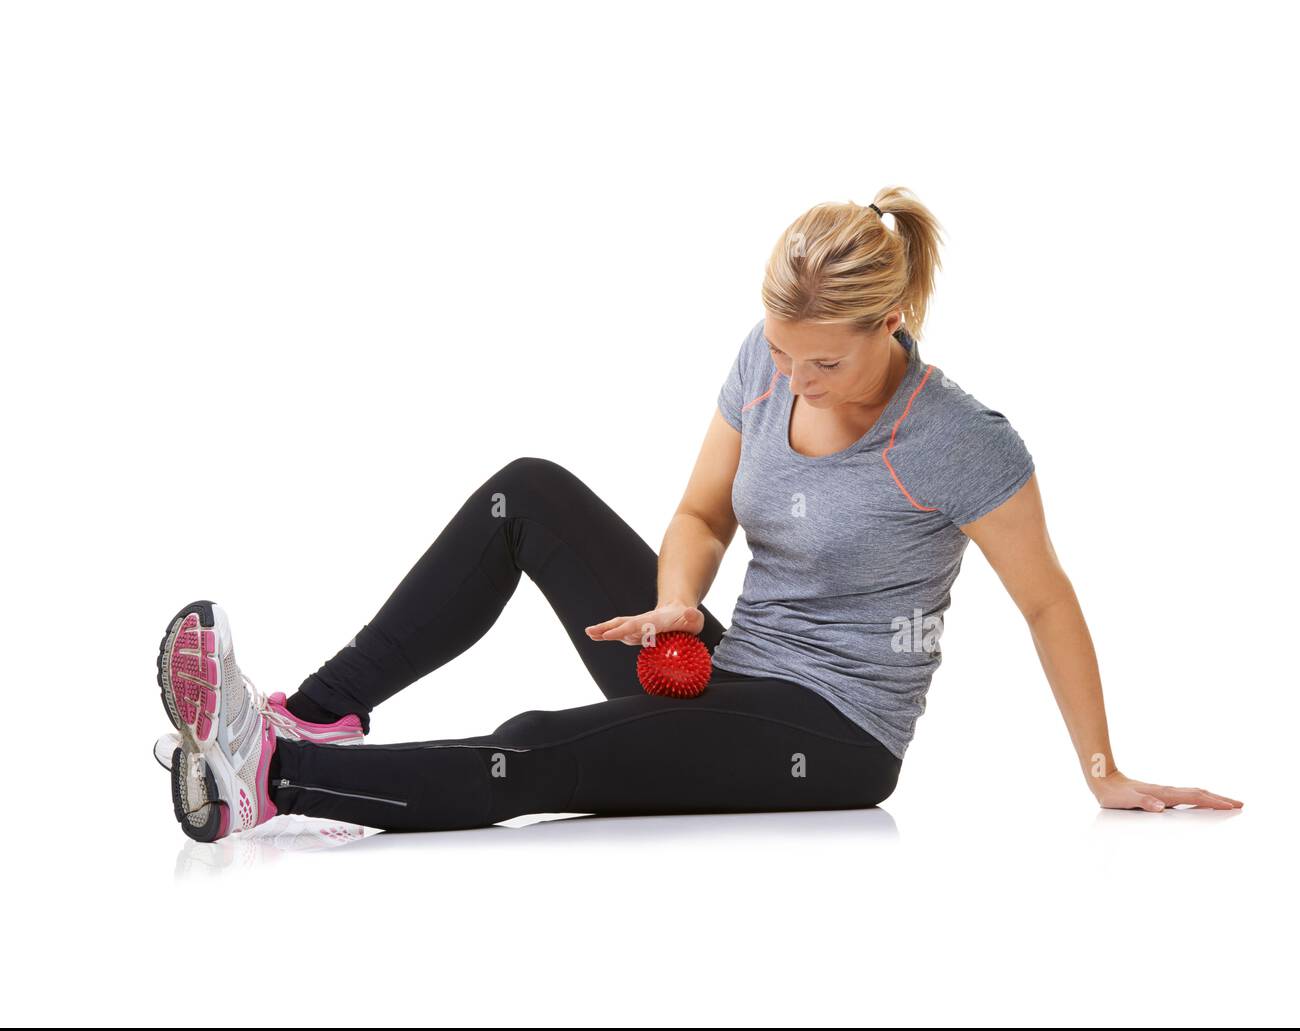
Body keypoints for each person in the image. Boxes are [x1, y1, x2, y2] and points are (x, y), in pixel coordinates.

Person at [153, 190, 1242, 840]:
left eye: (823, 359)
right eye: (780, 350)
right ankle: (318, 713)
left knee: (539, 746)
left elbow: (1047, 603)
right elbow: (699, 511)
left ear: (893, 323)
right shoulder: (764, 364)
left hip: (831, 735)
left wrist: (1102, 772)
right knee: (526, 489)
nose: (794, 377)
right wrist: (677, 600)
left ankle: (267, 780)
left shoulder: (959, 439)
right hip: (723, 667)